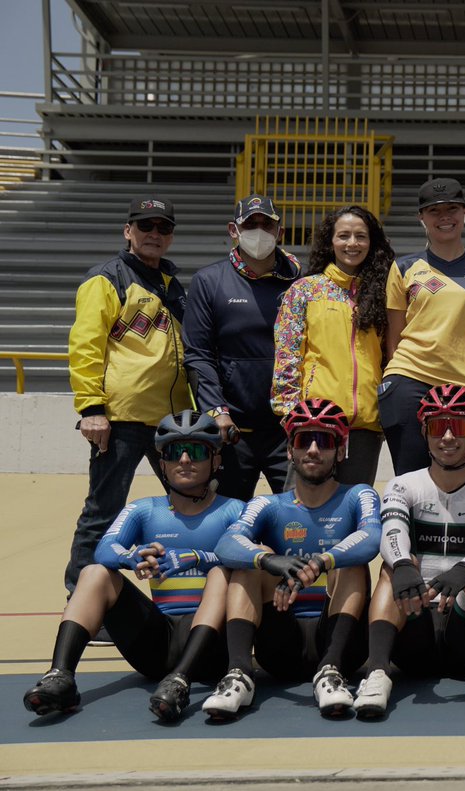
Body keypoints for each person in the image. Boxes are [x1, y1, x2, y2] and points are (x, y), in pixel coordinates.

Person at [24, 411, 241, 721]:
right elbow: (104, 550)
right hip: (158, 642)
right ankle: (60, 676)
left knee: (223, 572)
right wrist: (132, 557)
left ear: (215, 460)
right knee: (95, 573)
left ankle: (181, 680)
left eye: (195, 451)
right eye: (172, 452)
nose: (183, 460)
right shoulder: (144, 509)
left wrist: (196, 556)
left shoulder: (236, 510)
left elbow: (249, 555)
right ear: (162, 463)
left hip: (212, 647)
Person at [202, 398, 380, 720]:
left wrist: (321, 562)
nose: (313, 449)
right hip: (282, 642)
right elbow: (226, 543)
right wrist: (271, 561)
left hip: (342, 641)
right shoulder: (267, 504)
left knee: (353, 562)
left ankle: (331, 671)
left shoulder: (359, 495)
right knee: (249, 563)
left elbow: (372, 539)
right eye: (303, 440)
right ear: (290, 451)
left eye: (324, 441)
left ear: (340, 451)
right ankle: (238, 674)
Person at [352, 384, 465, 719]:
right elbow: (393, 530)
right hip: (415, 626)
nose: (446, 437)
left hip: (463, 634)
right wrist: (401, 562)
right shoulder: (404, 484)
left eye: (456, 426)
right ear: (424, 432)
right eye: (435, 427)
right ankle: (378, 674)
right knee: (391, 568)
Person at [65, 195, 190, 593]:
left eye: (163, 228)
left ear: (171, 236)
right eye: (145, 226)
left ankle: (186, 595)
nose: (154, 234)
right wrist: (91, 408)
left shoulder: (172, 284)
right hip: (120, 419)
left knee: (187, 506)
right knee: (104, 511)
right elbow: (85, 345)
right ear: (128, 231)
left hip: (172, 421)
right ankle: (82, 597)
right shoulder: (106, 278)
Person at [378, 178, 465, 477]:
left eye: (452, 208)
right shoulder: (404, 268)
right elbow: (394, 339)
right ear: (421, 217)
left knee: (457, 480)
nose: (444, 217)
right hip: (409, 378)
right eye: (434, 210)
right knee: (411, 481)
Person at [184, 194, 300, 500]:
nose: (259, 230)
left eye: (267, 224)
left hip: (288, 428)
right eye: (250, 223)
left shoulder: (301, 281)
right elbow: (199, 354)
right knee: (226, 519)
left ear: (280, 232)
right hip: (233, 431)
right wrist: (217, 411)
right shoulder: (209, 281)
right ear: (233, 230)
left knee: (298, 520)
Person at [271, 205, 391, 486]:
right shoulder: (305, 290)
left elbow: (389, 357)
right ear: (331, 241)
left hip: (365, 426)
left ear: (371, 242)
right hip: (314, 421)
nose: (352, 243)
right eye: (344, 236)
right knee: (302, 511)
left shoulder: (382, 293)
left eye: (360, 236)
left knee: (350, 511)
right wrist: (292, 413)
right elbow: (287, 355)